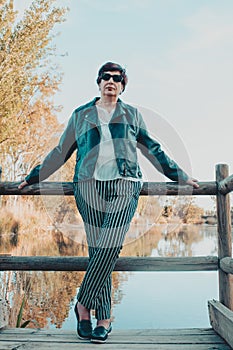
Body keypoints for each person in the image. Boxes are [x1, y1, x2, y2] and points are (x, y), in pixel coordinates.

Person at [18, 61, 199, 344]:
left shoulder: (132, 115)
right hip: (88, 186)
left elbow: (153, 149)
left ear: (123, 85)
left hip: (125, 185)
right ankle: (102, 319)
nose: (110, 81)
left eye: (116, 78)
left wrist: (180, 176)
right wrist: (33, 177)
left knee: (109, 246)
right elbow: (60, 151)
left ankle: (82, 305)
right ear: (99, 82)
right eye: (106, 77)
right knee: (98, 249)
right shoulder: (81, 115)